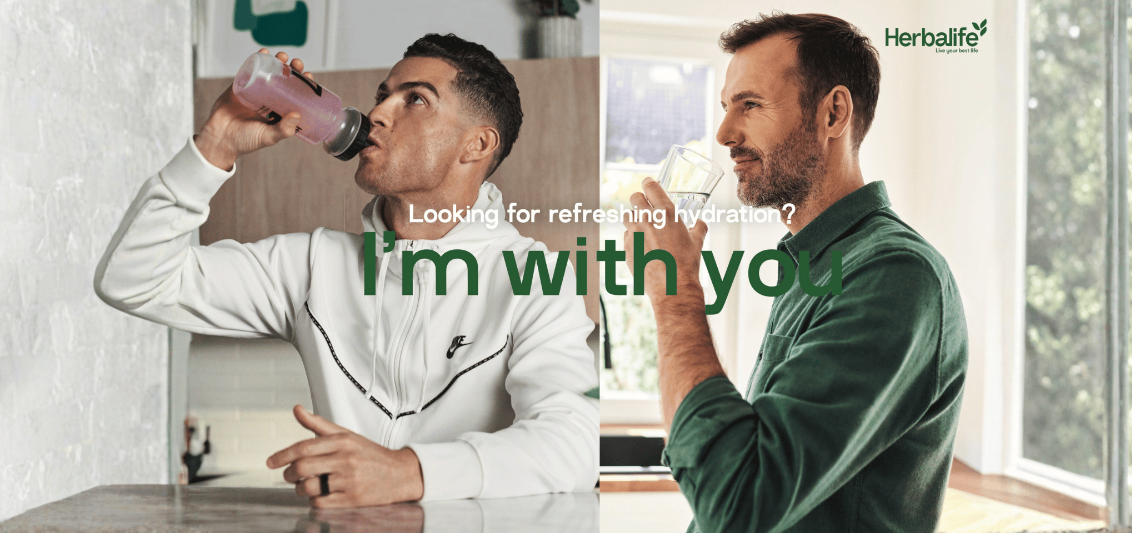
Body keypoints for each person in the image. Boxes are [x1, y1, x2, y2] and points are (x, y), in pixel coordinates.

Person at [94, 34, 598, 508]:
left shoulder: (536, 278)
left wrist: (407, 472)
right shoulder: (312, 267)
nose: (377, 112)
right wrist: (216, 145)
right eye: (383, 96)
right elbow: (134, 279)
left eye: (415, 99)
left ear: (477, 145)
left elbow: (574, 444)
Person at [622, 13, 969, 532]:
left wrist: (676, 293)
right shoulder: (813, 266)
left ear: (833, 113)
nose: (723, 133)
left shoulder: (895, 275)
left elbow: (738, 503)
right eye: (725, 107)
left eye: (751, 105)